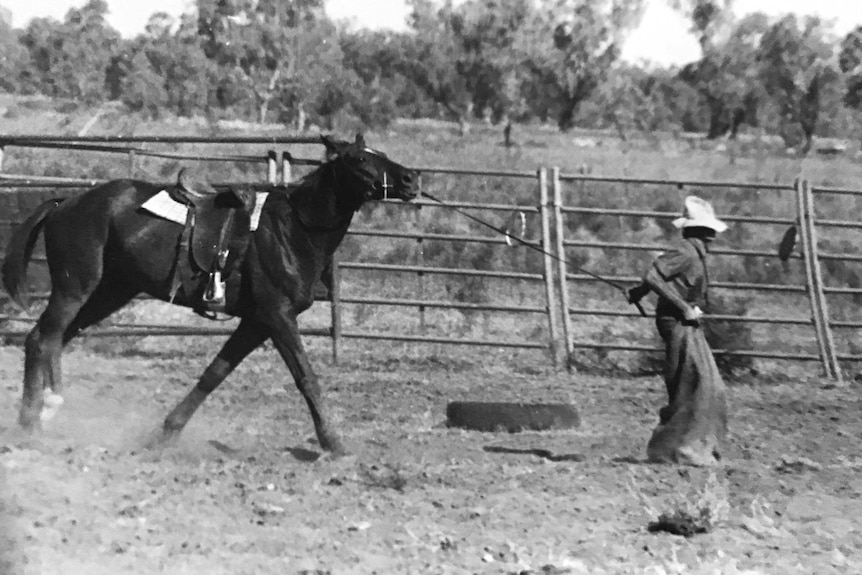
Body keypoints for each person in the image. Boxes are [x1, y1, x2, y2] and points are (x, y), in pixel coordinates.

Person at [627, 195, 729, 466]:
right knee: (696, 384)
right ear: (698, 231)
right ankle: (676, 448)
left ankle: (688, 446)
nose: (713, 238)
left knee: (704, 383)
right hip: (678, 322)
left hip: (686, 322)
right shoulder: (686, 251)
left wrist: (639, 292)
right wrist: (684, 307)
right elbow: (654, 275)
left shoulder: (693, 252)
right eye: (709, 232)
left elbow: (656, 278)